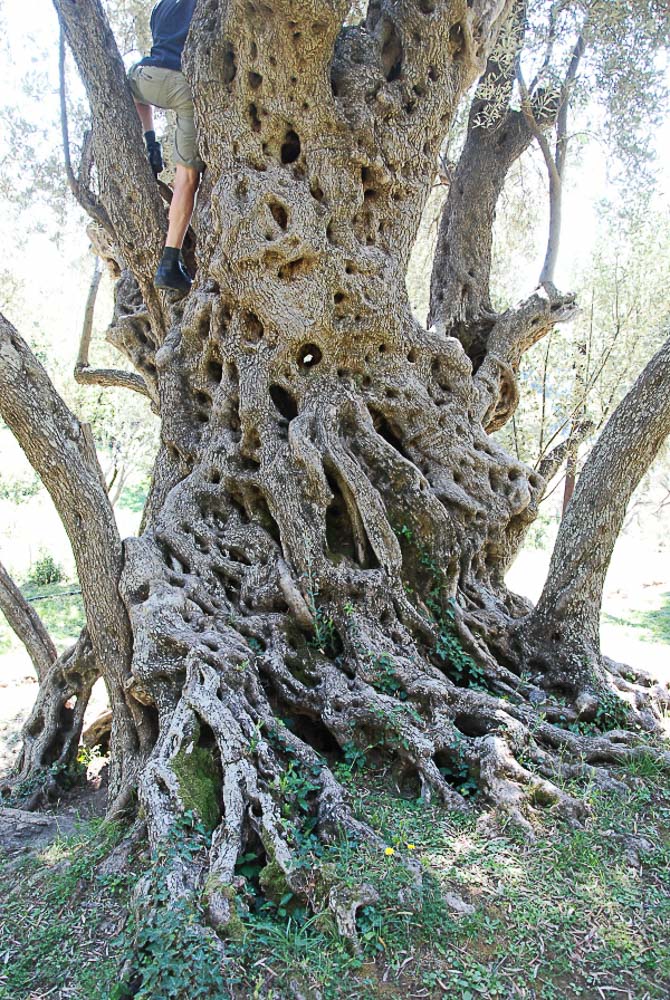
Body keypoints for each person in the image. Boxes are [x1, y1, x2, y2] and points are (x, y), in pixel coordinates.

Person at [128, 0, 203, 293]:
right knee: (186, 179)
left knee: (130, 85)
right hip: (183, 85)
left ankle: (151, 144)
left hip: (149, 76)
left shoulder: (161, 8)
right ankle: (169, 263)